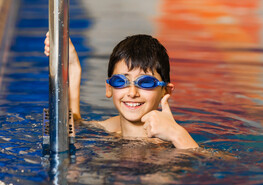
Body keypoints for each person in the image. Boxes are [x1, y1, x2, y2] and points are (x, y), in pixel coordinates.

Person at [44, 33, 198, 149]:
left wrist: (177, 134)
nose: (132, 92)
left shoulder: (167, 142)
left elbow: (210, 164)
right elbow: (74, 123)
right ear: (109, 88)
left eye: (145, 82)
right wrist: (72, 67)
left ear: (166, 91)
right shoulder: (113, 126)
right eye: (121, 81)